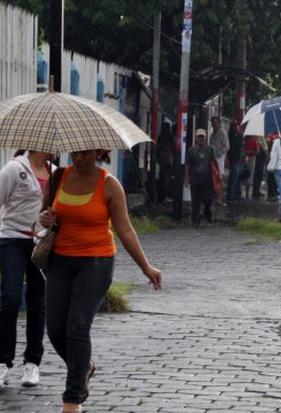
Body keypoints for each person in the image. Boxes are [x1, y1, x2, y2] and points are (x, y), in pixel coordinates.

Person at [39, 150, 162, 413]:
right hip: (59, 261)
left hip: (96, 262)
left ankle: (72, 400)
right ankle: (85, 366)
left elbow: (125, 229)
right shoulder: (58, 176)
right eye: (75, 153)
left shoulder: (109, 184)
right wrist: (45, 218)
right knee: (55, 330)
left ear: (97, 152)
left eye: (85, 153)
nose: (79, 157)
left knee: (77, 326)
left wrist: (145, 266)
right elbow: (41, 218)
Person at [0, 150, 53, 389]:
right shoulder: (14, 169)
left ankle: (32, 362)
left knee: (37, 301)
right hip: (11, 238)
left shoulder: (54, 173)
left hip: (40, 243)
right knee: (10, 298)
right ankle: (2, 362)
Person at [186, 129, 215, 227]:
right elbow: (188, 164)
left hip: (207, 178)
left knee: (207, 199)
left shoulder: (210, 150)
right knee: (195, 200)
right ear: (196, 138)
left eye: (202, 137)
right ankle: (195, 219)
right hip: (195, 178)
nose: (200, 139)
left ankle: (207, 213)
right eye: (199, 137)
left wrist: (217, 176)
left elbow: (213, 163)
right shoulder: (191, 150)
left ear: (205, 138)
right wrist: (186, 177)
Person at [156, 122, 175, 204]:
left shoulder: (160, 137)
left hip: (161, 161)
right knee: (167, 179)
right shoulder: (170, 137)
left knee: (162, 178)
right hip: (168, 162)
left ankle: (161, 197)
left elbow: (158, 149)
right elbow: (174, 148)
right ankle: (166, 196)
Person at [226, 121, 243, 202]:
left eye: (237, 126)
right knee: (233, 177)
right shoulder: (230, 137)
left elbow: (241, 146)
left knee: (237, 177)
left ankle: (236, 193)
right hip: (233, 159)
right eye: (235, 126)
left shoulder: (239, 137)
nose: (236, 128)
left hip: (238, 159)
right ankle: (231, 194)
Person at [243, 135, 260, 199]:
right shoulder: (254, 140)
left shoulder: (245, 139)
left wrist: (248, 152)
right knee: (249, 174)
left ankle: (247, 190)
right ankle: (247, 190)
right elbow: (257, 151)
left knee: (248, 174)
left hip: (248, 158)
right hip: (249, 158)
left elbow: (257, 151)